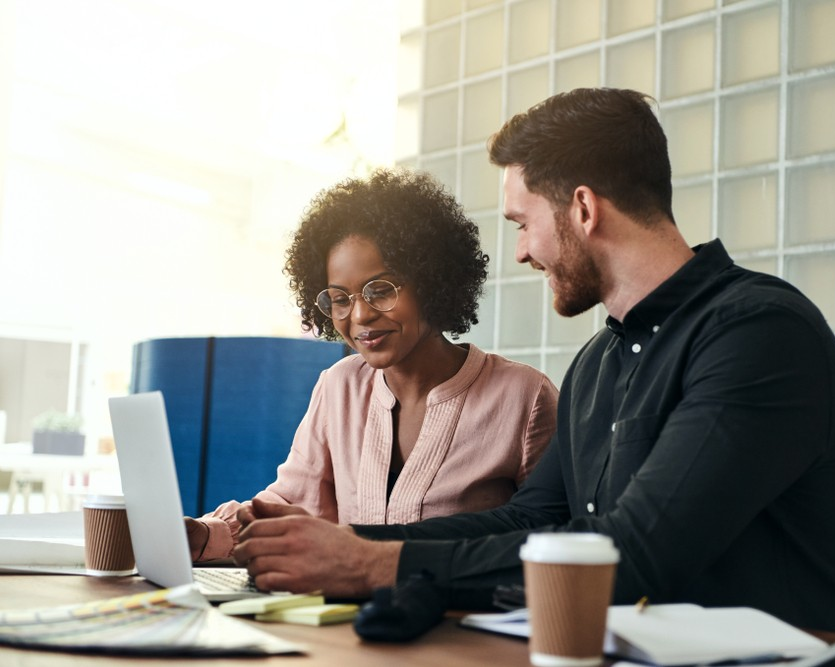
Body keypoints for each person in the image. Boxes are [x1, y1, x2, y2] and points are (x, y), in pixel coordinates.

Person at [231, 88, 835, 634]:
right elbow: (529, 521)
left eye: (523, 223)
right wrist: (343, 542)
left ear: (583, 208)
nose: (520, 252)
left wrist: (373, 563)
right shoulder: (597, 365)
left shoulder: (758, 332)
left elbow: (636, 553)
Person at [186, 167, 558, 562]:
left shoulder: (525, 396)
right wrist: (200, 535)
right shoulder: (339, 386)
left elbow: (552, 534)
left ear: (432, 282)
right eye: (340, 298)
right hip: (345, 621)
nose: (359, 315)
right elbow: (289, 503)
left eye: (380, 290)